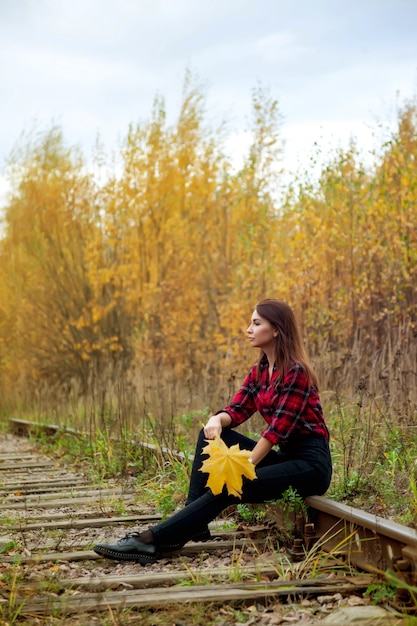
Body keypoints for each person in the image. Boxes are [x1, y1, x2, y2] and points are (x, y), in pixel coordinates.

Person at [94, 298, 332, 564]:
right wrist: (216, 419)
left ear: (276, 329)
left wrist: (245, 468)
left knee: (232, 485)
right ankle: (193, 522)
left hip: (311, 465)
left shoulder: (296, 372)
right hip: (286, 457)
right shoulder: (260, 371)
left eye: (256, 323)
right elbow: (238, 409)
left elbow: (275, 432)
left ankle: (151, 540)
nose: (248, 329)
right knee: (208, 436)